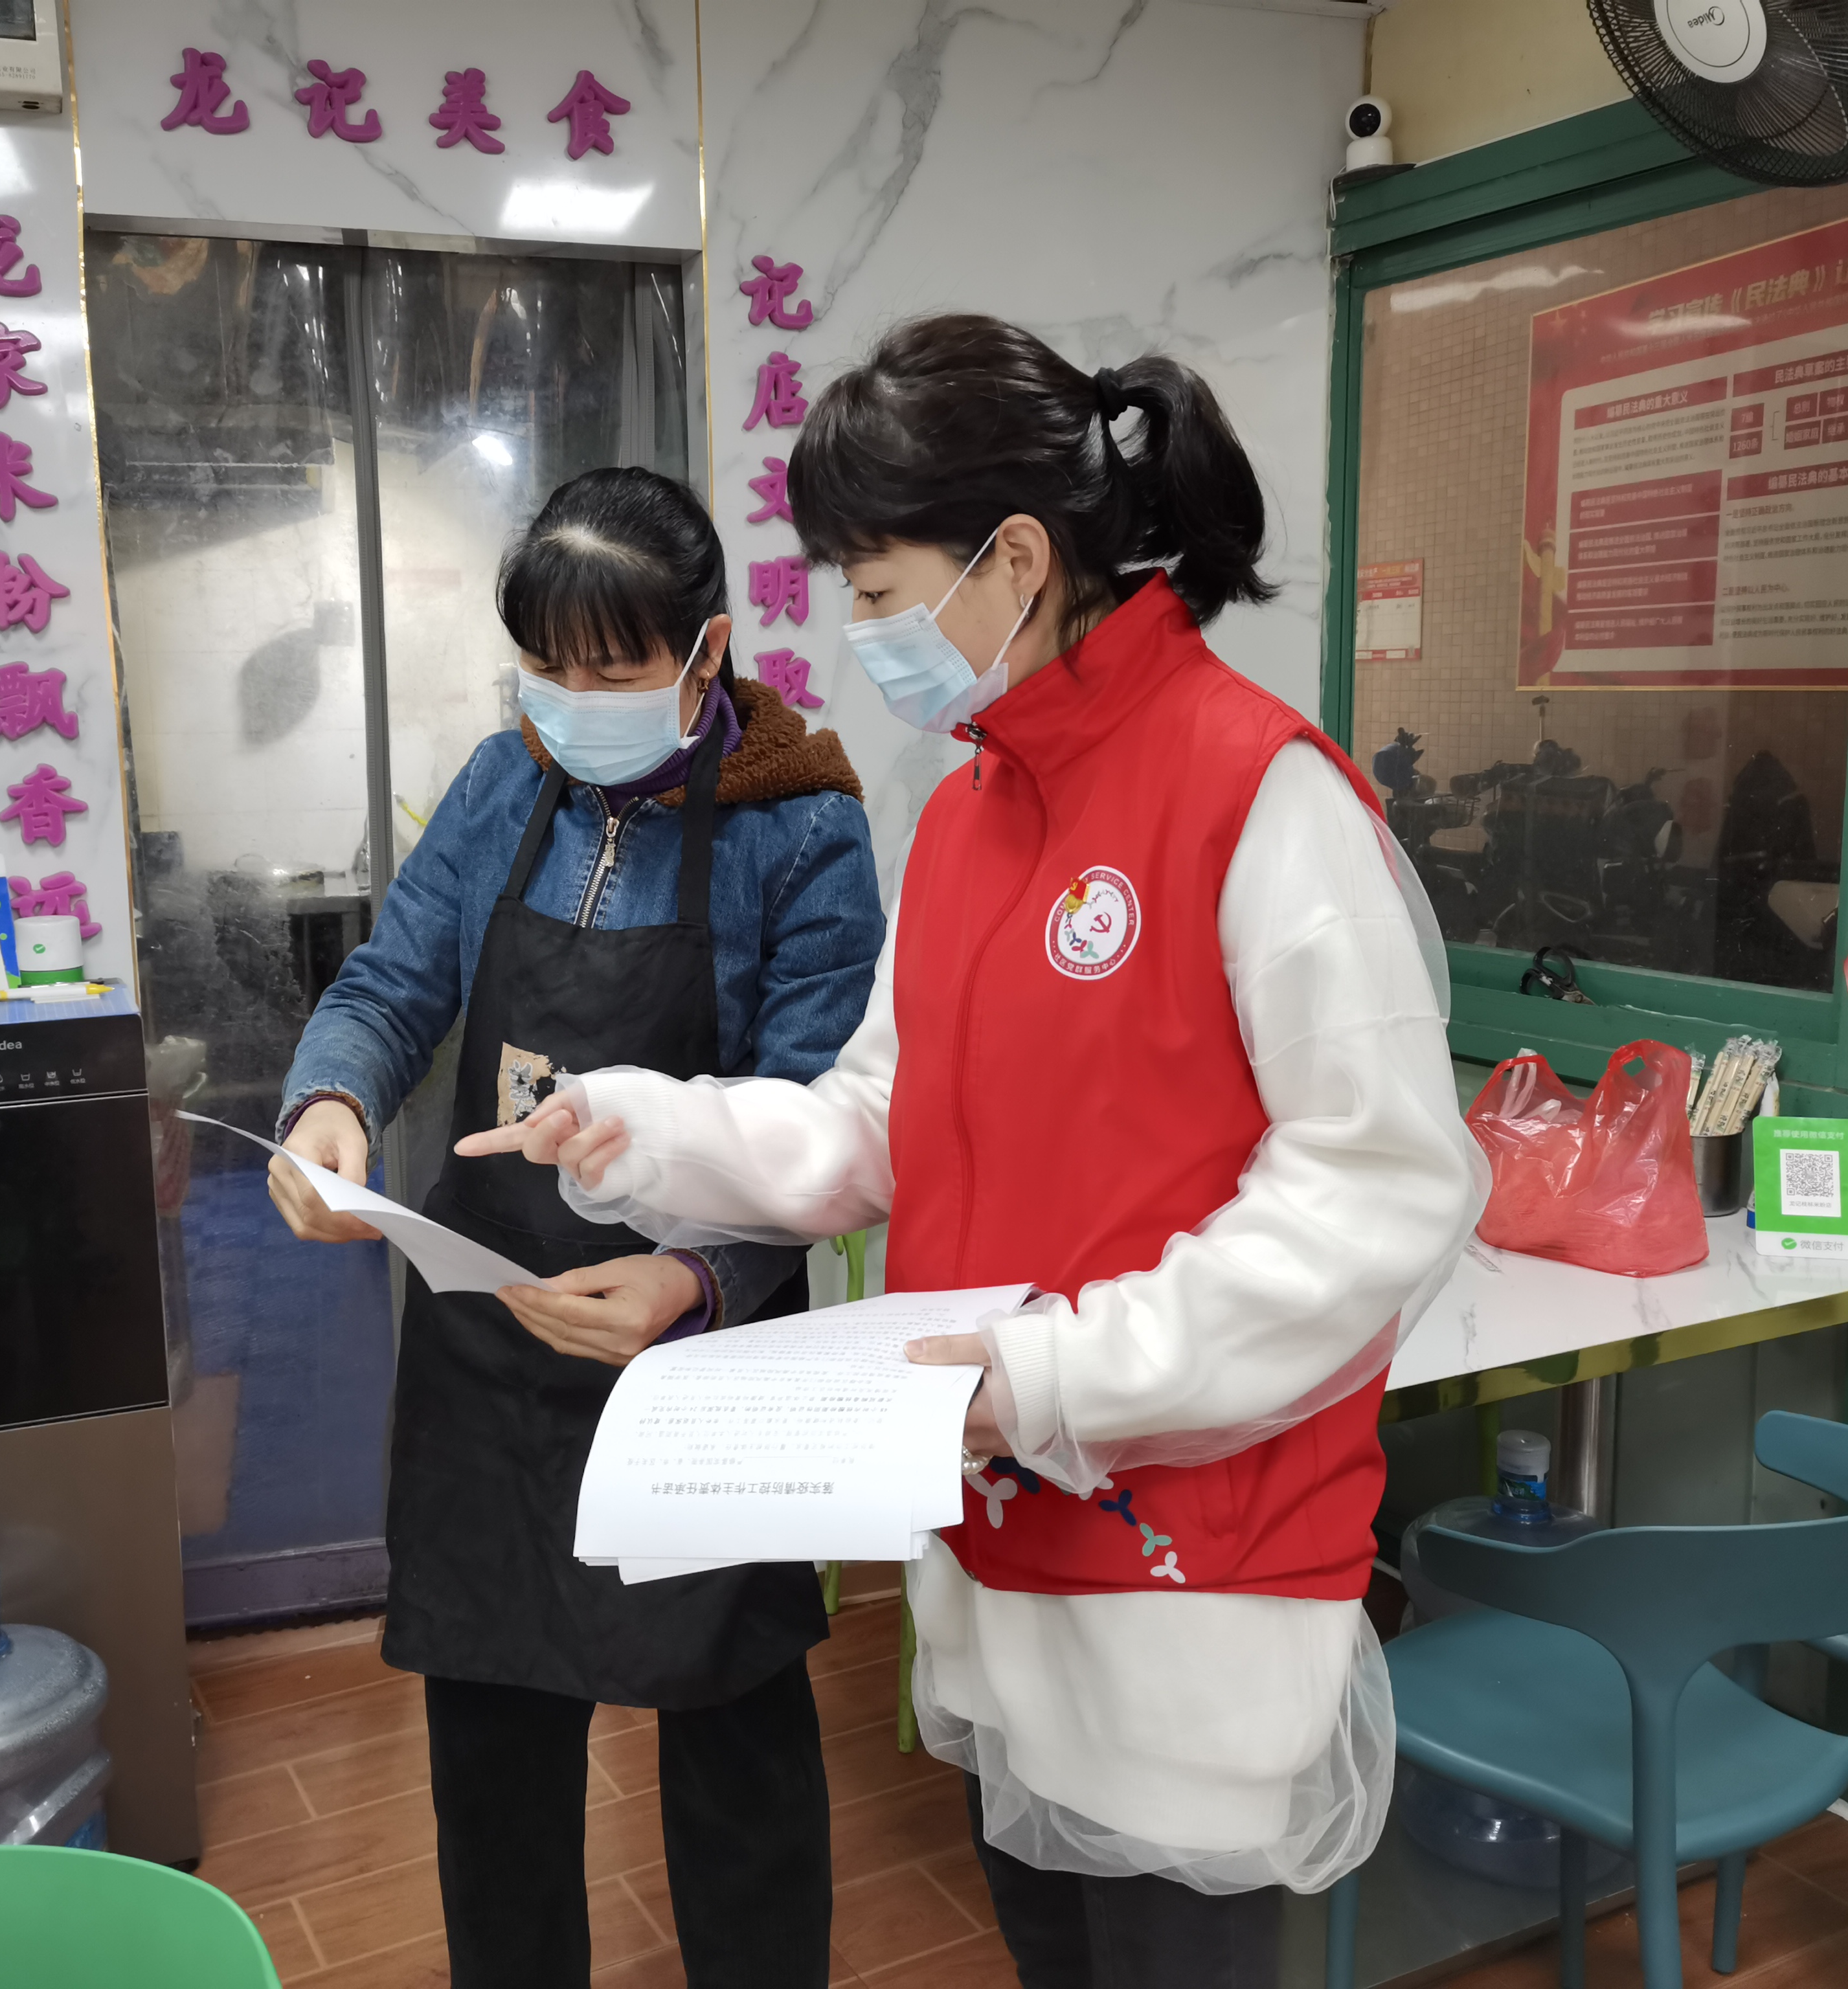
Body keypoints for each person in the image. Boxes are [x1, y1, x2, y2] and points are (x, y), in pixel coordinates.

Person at [463, 318, 1486, 1989]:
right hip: (995, 1530)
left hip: (1186, 1567)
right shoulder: (967, 815)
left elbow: (1378, 1194)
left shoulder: (1258, 795)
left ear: (1014, 562)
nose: (858, 633)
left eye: (875, 590)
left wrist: (1050, 1373)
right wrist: (645, 1125)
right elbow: (879, 1121)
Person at [268, 466, 884, 1988]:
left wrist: (693, 1276)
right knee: (492, 1746)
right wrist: (330, 1101)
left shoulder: (801, 832)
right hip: (492, 1343)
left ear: (707, 650)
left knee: (734, 1745)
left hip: (700, 1358)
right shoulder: (502, 786)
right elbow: (393, 982)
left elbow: (819, 1123)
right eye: (546, 668)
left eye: (610, 671)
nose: (571, 702)